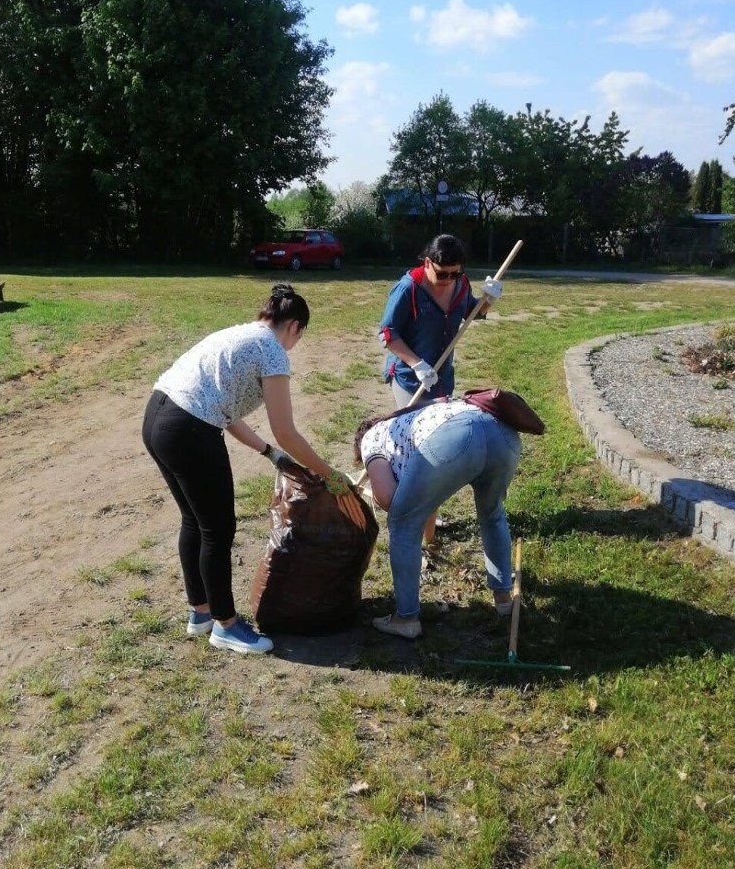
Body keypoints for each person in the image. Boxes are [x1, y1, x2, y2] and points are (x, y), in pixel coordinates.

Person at [142, 283, 363, 656]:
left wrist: (269, 453)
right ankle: (226, 626)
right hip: (189, 429)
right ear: (295, 326)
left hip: (157, 418)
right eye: (300, 336)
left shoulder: (241, 334)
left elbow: (225, 409)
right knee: (218, 529)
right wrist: (329, 473)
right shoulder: (273, 351)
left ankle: (201, 614)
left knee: (194, 521)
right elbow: (287, 430)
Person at [354, 396, 522, 640]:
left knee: (402, 524)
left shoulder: (373, 437)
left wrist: (402, 506)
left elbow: (389, 499)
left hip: (458, 438)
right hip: (502, 432)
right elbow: (425, 499)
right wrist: (427, 531)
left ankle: (406, 619)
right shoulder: (414, 422)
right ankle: (504, 600)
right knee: (492, 514)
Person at [377, 233, 503, 543]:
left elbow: (472, 312)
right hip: (410, 378)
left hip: (443, 377)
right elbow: (387, 333)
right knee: (418, 449)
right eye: (442, 273)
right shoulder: (407, 289)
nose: (448, 279)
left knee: (438, 445)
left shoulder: (460, 284)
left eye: (455, 273)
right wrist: (417, 364)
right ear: (427, 262)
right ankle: (414, 517)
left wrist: (488, 300)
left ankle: (428, 512)